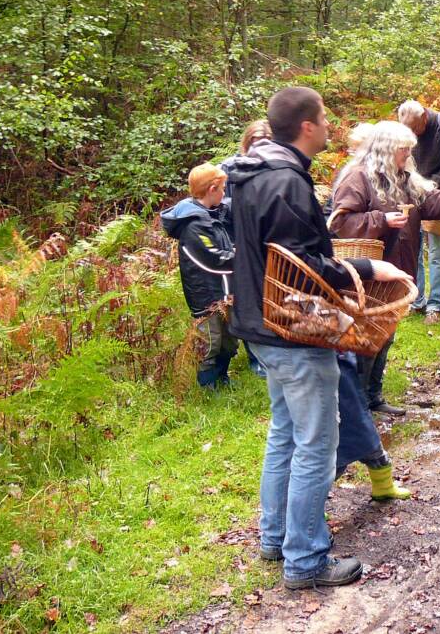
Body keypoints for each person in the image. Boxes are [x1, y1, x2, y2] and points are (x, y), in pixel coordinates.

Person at [227, 86, 409, 589]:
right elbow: (301, 267)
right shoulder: (285, 181)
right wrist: (367, 265)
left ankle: (275, 537)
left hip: (257, 324)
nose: (330, 125)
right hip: (291, 328)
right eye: (324, 117)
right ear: (306, 125)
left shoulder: (251, 171)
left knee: (284, 432)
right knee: (314, 443)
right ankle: (305, 560)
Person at [330, 120, 440, 416]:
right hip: (367, 276)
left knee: (386, 335)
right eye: (404, 149)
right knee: (364, 338)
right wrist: (380, 221)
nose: (409, 155)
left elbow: (437, 204)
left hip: (398, 269)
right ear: (386, 149)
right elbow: (340, 223)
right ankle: (356, 406)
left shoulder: (404, 179)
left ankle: (373, 397)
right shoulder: (358, 178)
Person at [161, 163, 239, 389]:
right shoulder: (193, 225)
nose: (225, 193)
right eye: (223, 188)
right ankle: (207, 386)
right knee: (210, 342)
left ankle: (223, 377)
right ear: (212, 189)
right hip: (206, 293)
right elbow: (213, 259)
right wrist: (242, 257)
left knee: (230, 340)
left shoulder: (215, 214)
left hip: (226, 290)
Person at [396, 100, 440, 325]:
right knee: (411, 249)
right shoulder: (404, 131)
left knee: (437, 253)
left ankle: (435, 306)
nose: (413, 136)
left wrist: (430, 185)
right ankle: (416, 300)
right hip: (410, 196)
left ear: (425, 117)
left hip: (438, 197)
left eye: (416, 129)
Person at [220, 119, 272, 377]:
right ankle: (254, 358)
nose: (258, 149)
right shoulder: (228, 168)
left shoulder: (274, 168)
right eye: (254, 143)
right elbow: (216, 205)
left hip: (264, 242)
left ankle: (264, 355)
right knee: (243, 299)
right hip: (235, 241)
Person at [335, 351, 411, 501]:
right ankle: (309, 507)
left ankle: (383, 487)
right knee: (335, 459)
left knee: (371, 444)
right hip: (334, 381)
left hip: (347, 379)